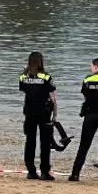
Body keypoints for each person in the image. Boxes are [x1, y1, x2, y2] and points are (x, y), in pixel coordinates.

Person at [69, 58, 98, 184]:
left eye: (91, 66)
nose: (90, 68)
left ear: (95, 67)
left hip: (90, 115)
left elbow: (85, 96)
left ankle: (75, 174)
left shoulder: (88, 80)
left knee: (84, 145)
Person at [19, 52, 57, 180]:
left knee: (30, 141)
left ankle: (31, 170)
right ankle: (45, 171)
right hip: (44, 112)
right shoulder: (46, 77)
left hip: (29, 111)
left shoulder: (23, 77)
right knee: (45, 142)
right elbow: (53, 97)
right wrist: (55, 114)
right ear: (41, 62)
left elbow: (24, 90)